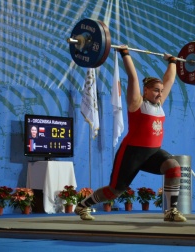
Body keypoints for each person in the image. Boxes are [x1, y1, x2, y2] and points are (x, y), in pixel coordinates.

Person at [75, 46, 186, 222]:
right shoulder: (137, 103)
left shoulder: (159, 104)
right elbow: (133, 77)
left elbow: (169, 81)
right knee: (114, 191)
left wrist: (172, 62)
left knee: (173, 167)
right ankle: (82, 206)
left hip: (152, 153)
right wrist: (125, 54)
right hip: (132, 153)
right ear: (146, 91)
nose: (160, 93)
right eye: (156, 90)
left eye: (161, 90)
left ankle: (170, 212)